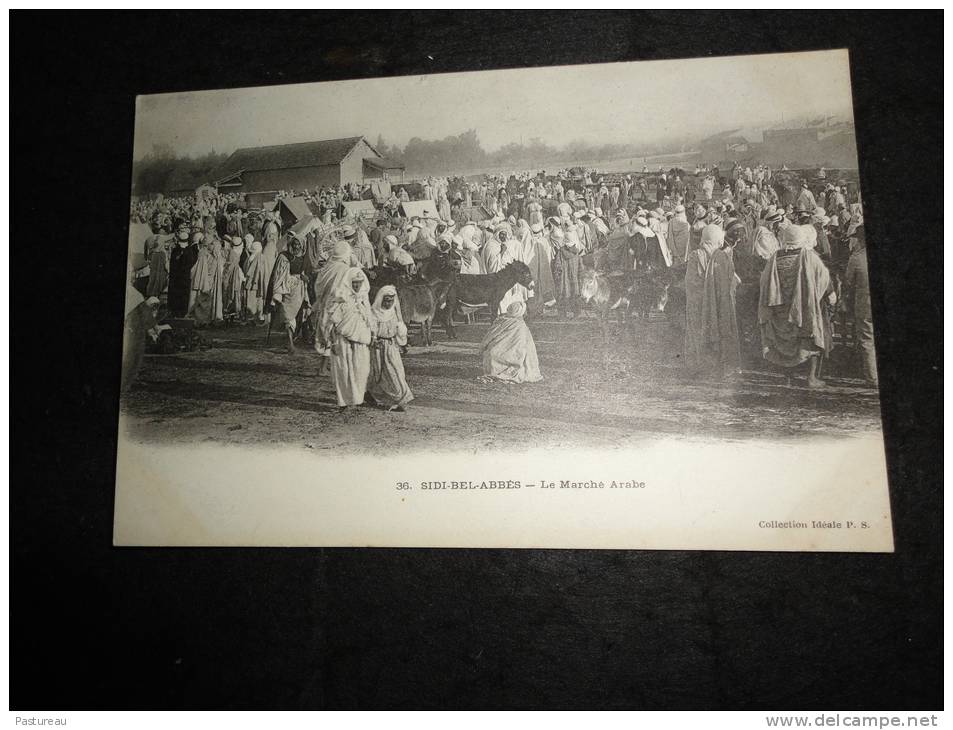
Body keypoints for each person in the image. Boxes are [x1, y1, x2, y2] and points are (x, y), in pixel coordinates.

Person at [758, 223, 835, 388]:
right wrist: (815, 296)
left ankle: (788, 378)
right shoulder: (809, 256)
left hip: (780, 311)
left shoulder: (775, 257)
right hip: (802, 309)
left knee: (784, 343)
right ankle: (811, 378)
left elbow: (764, 282)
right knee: (810, 338)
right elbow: (824, 278)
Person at [683, 224, 741, 378]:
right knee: (720, 330)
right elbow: (731, 282)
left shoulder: (695, 255)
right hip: (720, 305)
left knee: (699, 332)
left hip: (698, 305)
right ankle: (720, 366)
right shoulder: (723, 257)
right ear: (719, 240)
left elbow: (690, 282)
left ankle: (700, 366)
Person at [322, 268, 372, 410]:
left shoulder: (363, 299)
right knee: (343, 371)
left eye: (359, 283)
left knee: (361, 370)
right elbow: (331, 323)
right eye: (354, 283)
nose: (357, 285)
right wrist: (333, 342)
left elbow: (369, 320)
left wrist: (372, 336)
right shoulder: (341, 298)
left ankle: (358, 398)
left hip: (361, 341)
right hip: (342, 339)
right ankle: (343, 401)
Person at [368, 285, 414, 411]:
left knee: (395, 372)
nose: (388, 303)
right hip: (378, 348)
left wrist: (402, 341)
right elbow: (370, 330)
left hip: (391, 347)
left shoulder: (393, 313)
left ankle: (401, 398)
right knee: (379, 374)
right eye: (386, 300)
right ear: (381, 299)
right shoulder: (374, 313)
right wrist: (373, 339)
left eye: (391, 301)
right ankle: (382, 398)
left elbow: (399, 329)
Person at [842, 225, 878, 386]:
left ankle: (872, 377)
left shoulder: (856, 258)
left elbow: (848, 283)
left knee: (867, 338)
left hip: (864, 302)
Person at [479, 301, 543, 383]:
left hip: (510, 352)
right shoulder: (505, 322)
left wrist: (483, 347)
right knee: (493, 353)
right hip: (513, 353)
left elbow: (489, 337)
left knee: (492, 353)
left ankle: (495, 370)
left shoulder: (503, 321)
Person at [266, 235, 311, 353]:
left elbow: (302, 272)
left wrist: (302, 276)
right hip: (286, 289)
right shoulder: (284, 257)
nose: (296, 246)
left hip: (298, 291)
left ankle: (291, 340)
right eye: (294, 244)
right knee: (288, 316)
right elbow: (280, 275)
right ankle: (290, 343)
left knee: (297, 315)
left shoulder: (303, 257)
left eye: (298, 244)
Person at [167, 222, 198, 317]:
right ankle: (182, 311)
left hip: (175, 277)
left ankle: (173, 310)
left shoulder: (175, 250)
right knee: (184, 294)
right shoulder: (189, 251)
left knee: (175, 293)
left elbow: (172, 264)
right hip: (185, 277)